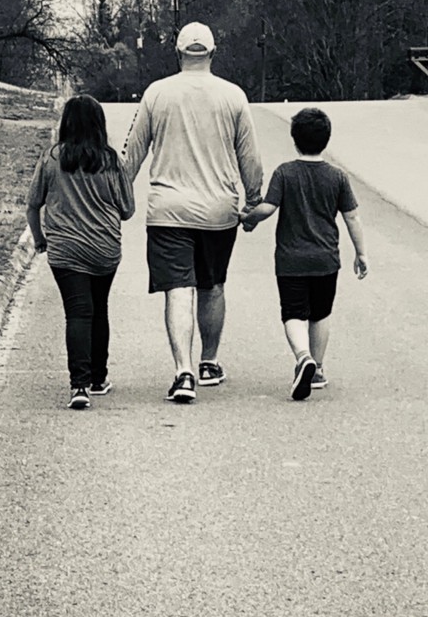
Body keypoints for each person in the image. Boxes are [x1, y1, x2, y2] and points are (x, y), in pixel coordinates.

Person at [123, 21, 263, 403]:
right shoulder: (233, 97)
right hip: (219, 210)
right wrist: (252, 201)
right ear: (212, 54)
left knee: (178, 289)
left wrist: (118, 197)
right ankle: (209, 361)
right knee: (212, 285)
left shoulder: (156, 94)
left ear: (179, 53)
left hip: (168, 210)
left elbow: (131, 153)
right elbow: (249, 157)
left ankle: (182, 372)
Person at [240, 107, 368, 400]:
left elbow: (268, 208)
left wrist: (246, 217)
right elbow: (352, 217)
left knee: (293, 313)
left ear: (294, 139)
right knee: (321, 314)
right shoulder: (337, 177)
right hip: (326, 259)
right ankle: (319, 368)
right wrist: (361, 253)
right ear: (327, 139)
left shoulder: (285, 173)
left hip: (290, 260)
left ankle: (302, 357)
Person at [27, 95, 135, 409]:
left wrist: (40, 240)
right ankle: (99, 377)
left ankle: (79, 386)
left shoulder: (51, 158)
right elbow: (127, 209)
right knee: (98, 309)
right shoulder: (111, 160)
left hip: (66, 251)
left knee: (78, 313)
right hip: (104, 248)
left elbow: (33, 205)